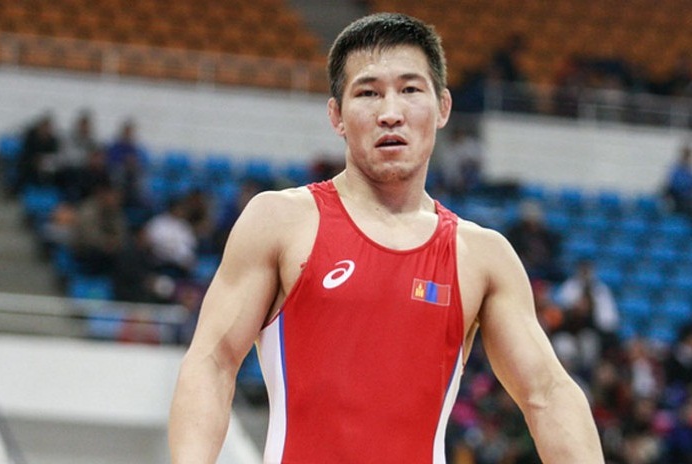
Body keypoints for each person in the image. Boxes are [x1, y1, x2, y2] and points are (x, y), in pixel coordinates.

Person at [169, 13, 603, 463]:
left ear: (443, 108)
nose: (390, 113)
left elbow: (547, 393)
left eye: (410, 90)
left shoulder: (481, 256)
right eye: (368, 93)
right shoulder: (280, 221)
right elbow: (213, 362)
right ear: (336, 115)